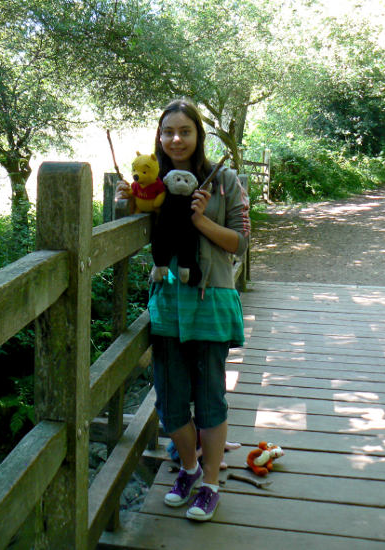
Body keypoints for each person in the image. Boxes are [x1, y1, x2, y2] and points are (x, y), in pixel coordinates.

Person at [116, 99, 250, 522]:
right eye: (168, 131)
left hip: (210, 302)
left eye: (185, 131)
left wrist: (201, 221)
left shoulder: (224, 180)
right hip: (168, 305)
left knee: (209, 396)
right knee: (171, 399)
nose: (176, 139)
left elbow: (240, 242)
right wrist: (126, 201)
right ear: (160, 137)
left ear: (198, 136)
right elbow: (132, 225)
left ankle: (210, 483)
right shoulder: (152, 187)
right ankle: (189, 470)